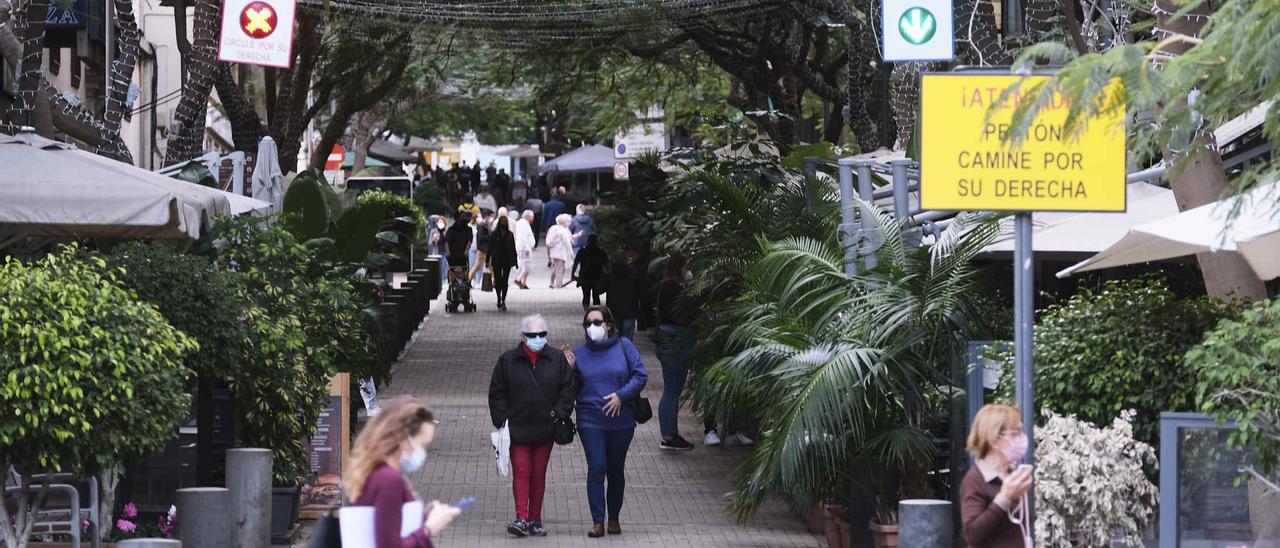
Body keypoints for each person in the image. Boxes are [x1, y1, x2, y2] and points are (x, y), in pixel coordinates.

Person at [488, 315, 577, 538]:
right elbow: (496, 392)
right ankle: (521, 518)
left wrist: (559, 414)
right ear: (523, 336)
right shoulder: (507, 361)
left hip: (545, 429)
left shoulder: (556, 359)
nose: (537, 339)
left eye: (542, 335)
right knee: (521, 471)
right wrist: (503, 419)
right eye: (532, 335)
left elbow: (568, 389)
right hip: (517, 429)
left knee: (538, 474)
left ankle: (535, 519)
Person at [564, 306, 647, 538]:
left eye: (597, 322)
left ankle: (614, 518)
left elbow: (640, 375)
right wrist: (568, 369)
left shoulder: (625, 347)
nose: (593, 327)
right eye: (588, 323)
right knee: (597, 466)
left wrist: (621, 395)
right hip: (590, 419)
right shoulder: (579, 354)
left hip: (621, 421)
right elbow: (570, 390)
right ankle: (598, 521)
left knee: (615, 469)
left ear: (608, 324)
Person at [344, 396, 461, 547]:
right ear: (403, 438)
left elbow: (386, 522)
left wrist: (423, 517)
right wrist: (429, 528)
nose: (424, 452)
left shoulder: (373, 471)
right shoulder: (388, 480)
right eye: (423, 444)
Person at [961, 404, 1034, 548]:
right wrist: (1004, 498)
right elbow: (972, 535)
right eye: (1016, 433)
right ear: (995, 440)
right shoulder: (974, 480)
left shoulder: (1011, 476)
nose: (1022, 438)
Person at [655, 252, 696, 451]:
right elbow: (679, 315)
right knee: (672, 389)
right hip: (675, 340)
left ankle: (671, 433)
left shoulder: (665, 286)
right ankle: (669, 436)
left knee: (673, 389)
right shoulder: (673, 287)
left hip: (668, 338)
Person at [604, 251, 642, 340]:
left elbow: (600, 289)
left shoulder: (610, 275)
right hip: (630, 310)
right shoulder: (634, 274)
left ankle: (616, 353)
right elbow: (641, 292)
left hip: (613, 310)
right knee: (627, 340)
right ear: (626, 260)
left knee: (614, 338)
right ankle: (625, 353)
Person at [487, 216, 517, 311]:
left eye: (505, 221)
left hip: (507, 261)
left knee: (505, 281)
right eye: (503, 221)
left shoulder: (510, 235)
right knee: (498, 280)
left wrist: (515, 261)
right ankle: (498, 297)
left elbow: (513, 249)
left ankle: (503, 299)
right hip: (497, 260)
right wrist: (487, 260)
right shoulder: (494, 235)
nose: (504, 223)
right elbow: (489, 248)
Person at [571, 235, 609, 309]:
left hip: (585, 277)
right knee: (596, 295)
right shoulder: (601, 252)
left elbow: (576, 263)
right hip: (597, 277)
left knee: (586, 295)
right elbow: (606, 265)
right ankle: (597, 311)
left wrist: (572, 274)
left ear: (588, 241)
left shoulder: (582, 251)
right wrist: (606, 276)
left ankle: (586, 310)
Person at [442, 211, 473, 283]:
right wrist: (447, 251)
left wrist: (466, 250)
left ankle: (466, 283)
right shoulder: (451, 229)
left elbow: (469, 240)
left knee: (465, 269)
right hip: (453, 253)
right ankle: (452, 283)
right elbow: (447, 241)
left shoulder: (468, 229)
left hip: (463, 254)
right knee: (452, 270)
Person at [546, 213, 575, 289]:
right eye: (568, 222)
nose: (569, 223)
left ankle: (553, 283)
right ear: (564, 222)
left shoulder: (554, 228)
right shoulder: (563, 230)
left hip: (554, 252)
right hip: (560, 252)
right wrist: (572, 253)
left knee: (557, 268)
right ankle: (559, 285)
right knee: (560, 269)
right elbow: (567, 243)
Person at [469, 210, 493, 287]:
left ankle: (496, 280)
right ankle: (468, 279)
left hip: (485, 249)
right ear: (486, 216)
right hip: (483, 250)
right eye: (489, 216)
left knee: (490, 266)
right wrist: (490, 237)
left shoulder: (485, 225)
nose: (490, 218)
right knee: (478, 266)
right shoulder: (482, 226)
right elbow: (481, 237)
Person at [514, 210, 537, 290]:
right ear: (528, 217)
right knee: (528, 266)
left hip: (522, 247)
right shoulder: (523, 224)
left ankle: (524, 283)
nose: (533, 219)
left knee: (525, 265)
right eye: (532, 217)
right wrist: (526, 247)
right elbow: (522, 236)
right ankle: (519, 279)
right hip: (524, 248)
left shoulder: (521, 223)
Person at [427, 215, 449, 286]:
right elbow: (430, 242)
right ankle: (438, 280)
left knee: (444, 266)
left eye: (442, 221)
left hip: (444, 251)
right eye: (439, 221)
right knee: (437, 267)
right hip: (436, 251)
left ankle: (444, 279)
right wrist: (434, 239)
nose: (440, 223)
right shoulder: (434, 231)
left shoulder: (446, 231)